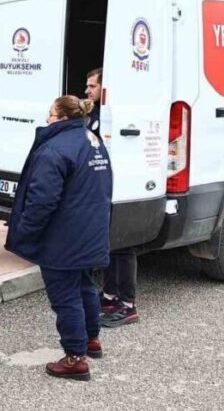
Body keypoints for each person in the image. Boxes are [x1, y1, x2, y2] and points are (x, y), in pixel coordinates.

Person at [5, 95, 112, 381]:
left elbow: (42, 201)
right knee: (85, 286)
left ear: (62, 117)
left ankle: (75, 357)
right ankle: (91, 340)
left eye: (50, 114)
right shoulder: (93, 141)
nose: (47, 119)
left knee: (65, 296)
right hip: (90, 230)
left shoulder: (53, 149)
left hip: (63, 237)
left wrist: (25, 232)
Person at [85, 66, 140, 328]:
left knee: (123, 245)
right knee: (108, 244)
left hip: (121, 184)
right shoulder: (94, 114)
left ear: (104, 88)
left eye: (92, 86)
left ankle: (128, 305)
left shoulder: (118, 114)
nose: (87, 90)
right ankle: (108, 296)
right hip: (102, 186)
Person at [84, 68, 103, 135]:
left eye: (92, 86)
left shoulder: (104, 111)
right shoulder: (90, 109)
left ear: (104, 86)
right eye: (87, 86)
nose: (86, 91)